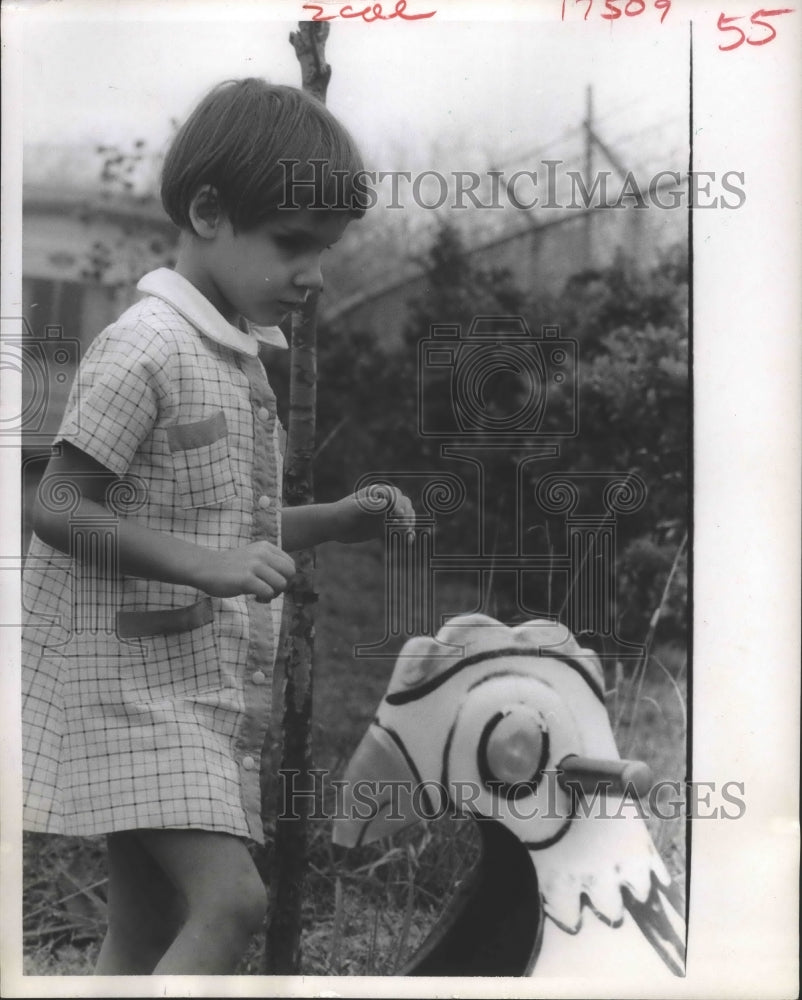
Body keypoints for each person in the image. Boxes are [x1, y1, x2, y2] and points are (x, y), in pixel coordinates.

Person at [22, 78, 413, 975]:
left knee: (146, 932)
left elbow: (232, 522)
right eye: (293, 245)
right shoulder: (145, 346)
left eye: (327, 250)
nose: (314, 274)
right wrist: (205, 565)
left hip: (184, 691)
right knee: (232, 902)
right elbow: (58, 505)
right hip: (124, 688)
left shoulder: (237, 360)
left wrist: (340, 520)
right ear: (207, 211)